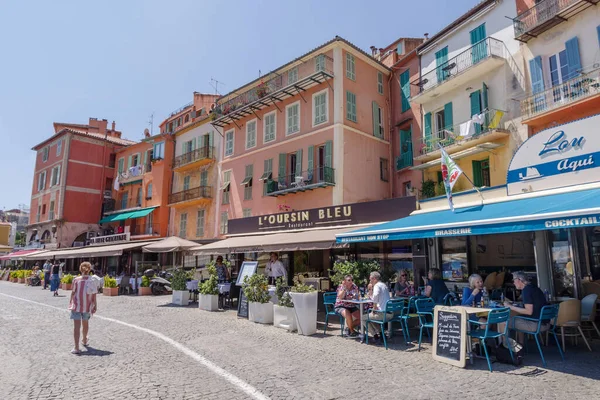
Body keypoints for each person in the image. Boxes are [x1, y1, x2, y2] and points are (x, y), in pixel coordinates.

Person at [499, 271, 547, 343]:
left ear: (519, 280)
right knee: (518, 318)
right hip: (545, 323)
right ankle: (520, 346)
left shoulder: (526, 290)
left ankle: (504, 345)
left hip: (536, 324)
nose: (513, 283)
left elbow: (529, 311)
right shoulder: (534, 288)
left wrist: (510, 306)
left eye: (514, 280)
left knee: (502, 321)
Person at [68, 262, 97, 354]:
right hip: (87, 306)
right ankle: (84, 340)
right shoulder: (92, 280)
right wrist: (95, 305)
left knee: (76, 326)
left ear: (80, 269)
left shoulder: (76, 280)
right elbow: (94, 294)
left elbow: (73, 292)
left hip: (76, 305)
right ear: (89, 269)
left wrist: (70, 302)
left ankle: (76, 348)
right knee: (85, 323)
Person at [363, 271, 391, 344]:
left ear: (374, 279)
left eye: (370, 279)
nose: (370, 281)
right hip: (390, 313)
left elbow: (375, 296)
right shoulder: (384, 285)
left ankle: (375, 337)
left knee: (363, 318)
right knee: (370, 318)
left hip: (383, 314)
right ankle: (382, 336)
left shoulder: (377, 285)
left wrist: (374, 308)